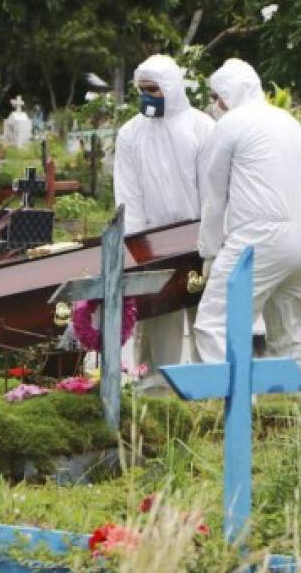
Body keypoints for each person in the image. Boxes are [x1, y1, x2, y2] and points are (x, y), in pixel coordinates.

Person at [194, 58, 301, 381]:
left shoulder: (231, 124)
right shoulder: (288, 121)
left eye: (215, 97)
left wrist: (210, 252)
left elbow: (213, 195)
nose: (214, 105)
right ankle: (296, 412)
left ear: (227, 94)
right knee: (290, 332)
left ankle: (235, 412)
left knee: (216, 323)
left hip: (261, 238)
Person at [113, 54, 215, 389]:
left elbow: (210, 188)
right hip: (153, 243)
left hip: (199, 237)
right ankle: (154, 389)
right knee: (158, 319)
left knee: (205, 318)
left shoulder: (202, 127)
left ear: (170, 88)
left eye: (153, 89)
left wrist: (209, 240)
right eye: (142, 90)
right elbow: (128, 194)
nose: (147, 96)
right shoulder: (131, 133)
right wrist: (138, 247)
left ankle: (206, 389)